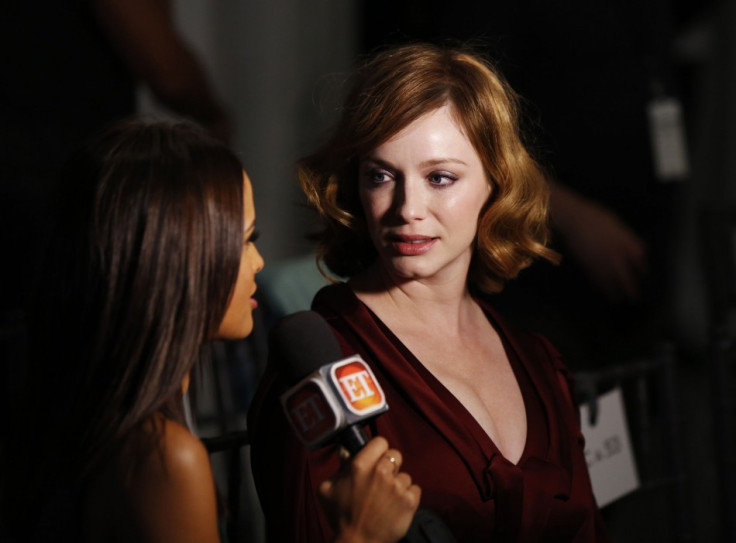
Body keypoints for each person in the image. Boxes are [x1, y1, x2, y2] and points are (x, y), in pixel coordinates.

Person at [248, 43, 609, 542]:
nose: (407, 208)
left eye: (440, 177)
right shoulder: (320, 369)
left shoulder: (540, 363)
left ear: (496, 184)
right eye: (381, 176)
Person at [0, 120, 419, 543]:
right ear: (177, 262)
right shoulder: (164, 460)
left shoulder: (91, 420)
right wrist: (358, 535)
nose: (258, 263)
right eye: (244, 240)